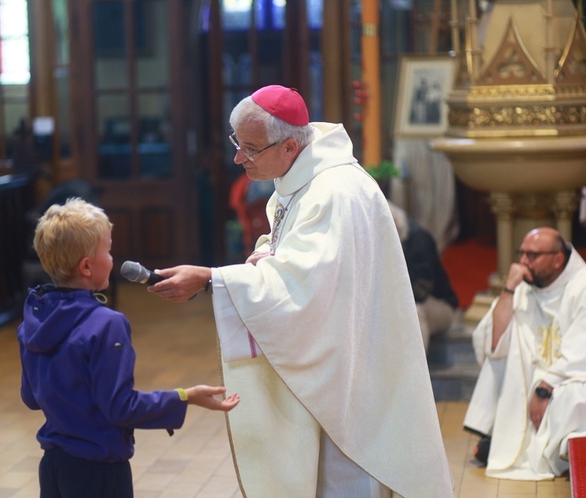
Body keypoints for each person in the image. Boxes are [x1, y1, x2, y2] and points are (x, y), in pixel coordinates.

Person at [147, 85, 453, 497]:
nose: (239, 158)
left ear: (290, 146)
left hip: (347, 371)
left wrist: (210, 278)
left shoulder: (333, 192)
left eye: (251, 149)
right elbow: (290, 256)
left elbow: (305, 287)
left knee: (344, 478)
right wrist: (263, 259)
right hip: (330, 354)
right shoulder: (299, 180)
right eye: (238, 143)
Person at [17, 198, 240, 497]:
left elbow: (31, 397)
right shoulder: (106, 324)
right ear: (86, 266)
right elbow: (120, 408)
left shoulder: (34, 318)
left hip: (54, 466)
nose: (112, 259)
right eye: (108, 251)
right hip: (98, 470)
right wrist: (186, 397)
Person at [463, 227, 586, 480]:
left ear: (557, 259)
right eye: (521, 253)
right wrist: (509, 288)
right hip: (542, 379)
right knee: (503, 355)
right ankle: (509, 443)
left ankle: (556, 457)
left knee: (575, 397)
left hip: (578, 377)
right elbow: (494, 342)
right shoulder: (524, 288)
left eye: (532, 255)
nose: (522, 261)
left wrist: (546, 387)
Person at [389, 201, 459, 349]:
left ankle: (415, 370)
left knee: (413, 312)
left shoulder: (418, 239)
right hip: (396, 303)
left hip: (439, 304)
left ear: (394, 224)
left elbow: (420, 290)